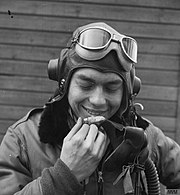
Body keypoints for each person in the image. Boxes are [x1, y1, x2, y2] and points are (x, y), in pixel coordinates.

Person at [0, 22, 180, 195]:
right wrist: (63, 176)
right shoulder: (23, 139)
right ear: (65, 84)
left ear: (127, 92)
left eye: (111, 88)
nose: (98, 101)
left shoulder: (146, 136)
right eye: (86, 85)